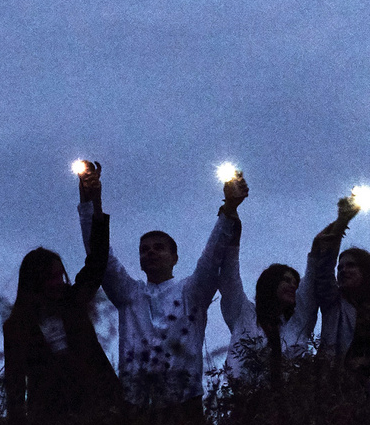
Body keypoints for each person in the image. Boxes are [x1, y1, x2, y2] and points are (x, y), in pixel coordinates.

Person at [77, 162, 245, 412]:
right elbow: (100, 256)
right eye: (144, 250)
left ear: (174, 257)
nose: (151, 253)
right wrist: (90, 202)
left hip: (184, 407)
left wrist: (229, 209)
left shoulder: (191, 292)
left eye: (159, 248)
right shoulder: (129, 294)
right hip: (136, 408)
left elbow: (211, 258)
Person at [4, 193, 123, 418]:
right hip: (51, 418)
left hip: (99, 407)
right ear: (35, 282)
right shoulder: (17, 327)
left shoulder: (72, 301)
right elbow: (15, 384)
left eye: (60, 275)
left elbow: (97, 263)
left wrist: (95, 206)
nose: (59, 282)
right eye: (51, 277)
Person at [219, 260, 312, 392]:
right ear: (271, 283)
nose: (293, 286)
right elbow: (229, 278)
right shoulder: (244, 313)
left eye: (295, 284)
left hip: (284, 401)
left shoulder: (293, 327)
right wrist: (232, 244)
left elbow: (313, 277)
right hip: (243, 399)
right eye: (287, 280)